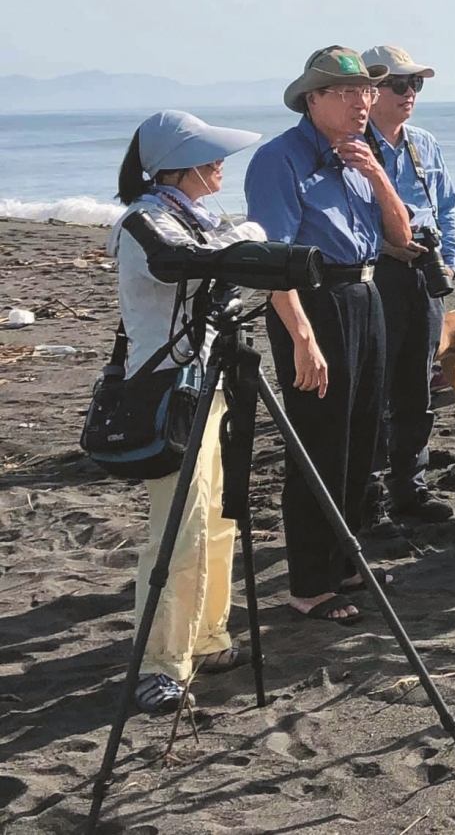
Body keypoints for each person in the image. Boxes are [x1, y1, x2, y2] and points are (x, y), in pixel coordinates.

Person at [245, 46, 413, 625]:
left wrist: (376, 175)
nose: (362, 102)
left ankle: (346, 561)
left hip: (366, 293)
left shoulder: (362, 156)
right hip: (313, 301)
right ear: (313, 99)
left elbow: (399, 234)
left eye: (367, 91)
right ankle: (310, 585)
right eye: (346, 92)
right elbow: (272, 262)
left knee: (364, 436)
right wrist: (302, 338)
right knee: (319, 443)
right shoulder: (280, 158)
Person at [107, 110, 265, 712]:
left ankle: (208, 637)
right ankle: (160, 663)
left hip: (210, 382)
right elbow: (185, 262)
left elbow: (214, 263)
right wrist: (247, 243)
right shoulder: (146, 221)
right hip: (170, 392)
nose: (221, 163)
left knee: (221, 517)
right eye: (209, 154)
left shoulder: (194, 216)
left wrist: (244, 242)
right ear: (177, 164)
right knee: (179, 530)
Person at [361, 44, 455, 524]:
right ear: (371, 91)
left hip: (424, 274)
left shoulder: (425, 143)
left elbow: (447, 208)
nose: (409, 94)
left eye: (415, 84)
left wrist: (453, 260)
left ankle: (411, 488)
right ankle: (370, 497)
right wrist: (385, 246)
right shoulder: (351, 146)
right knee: (373, 389)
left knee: (417, 387)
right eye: (399, 85)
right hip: (374, 276)